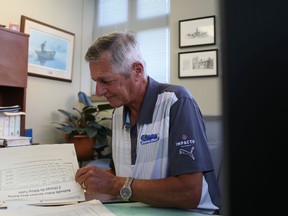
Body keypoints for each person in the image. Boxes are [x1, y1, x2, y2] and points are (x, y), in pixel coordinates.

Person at [75, 31, 222, 215]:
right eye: (96, 81)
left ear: (137, 71)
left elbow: (190, 193)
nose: (98, 91)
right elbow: (118, 177)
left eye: (106, 80)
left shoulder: (177, 102)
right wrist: (89, 184)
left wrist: (113, 184)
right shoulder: (118, 114)